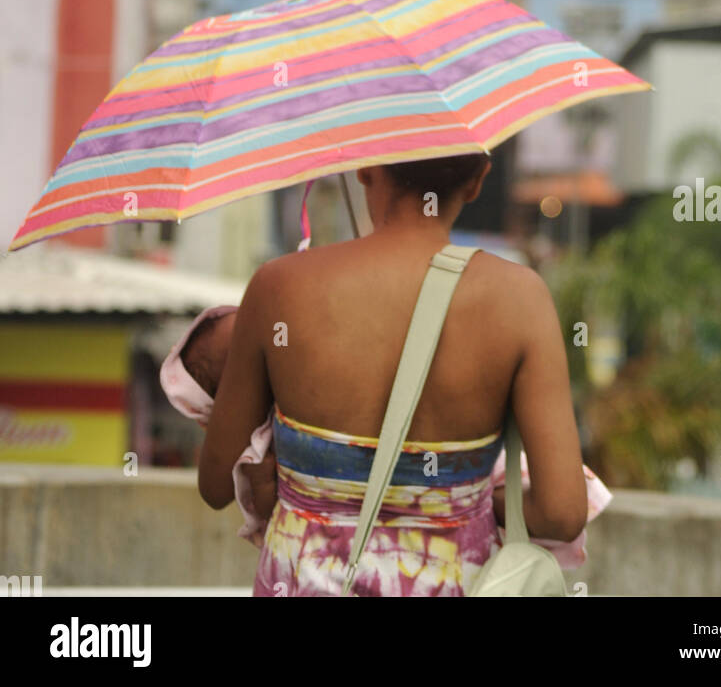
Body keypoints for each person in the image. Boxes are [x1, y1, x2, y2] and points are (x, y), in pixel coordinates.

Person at [196, 155, 594, 597]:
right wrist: (466, 501)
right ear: (479, 179)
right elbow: (562, 512)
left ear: (366, 168)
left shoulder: (278, 288)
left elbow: (215, 484)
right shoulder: (521, 299)